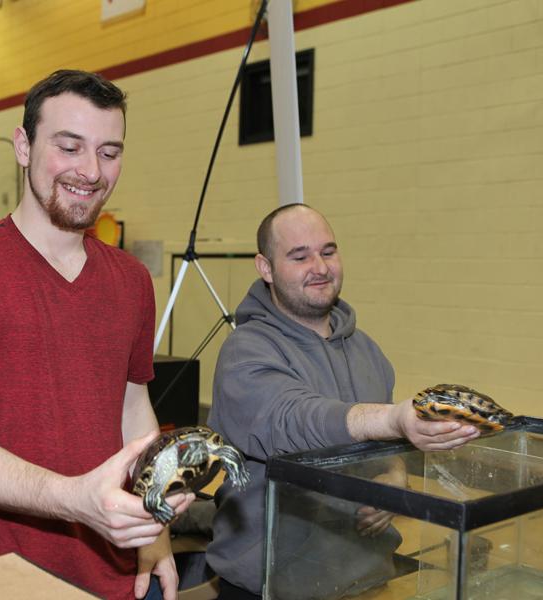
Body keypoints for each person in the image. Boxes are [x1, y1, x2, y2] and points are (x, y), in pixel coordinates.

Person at [0, 70, 193, 600]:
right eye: (70, 147)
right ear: (24, 146)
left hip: (116, 572)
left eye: (110, 152)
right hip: (1, 579)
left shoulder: (131, 280)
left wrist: (155, 529)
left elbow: (134, 410)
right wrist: (74, 499)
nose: (90, 171)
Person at [206, 204, 481, 600]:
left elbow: (381, 447)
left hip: (366, 576)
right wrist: (393, 420)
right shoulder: (245, 351)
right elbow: (293, 420)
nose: (319, 266)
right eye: (299, 256)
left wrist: (395, 474)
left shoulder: (367, 350)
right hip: (271, 582)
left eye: (328, 251)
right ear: (265, 268)